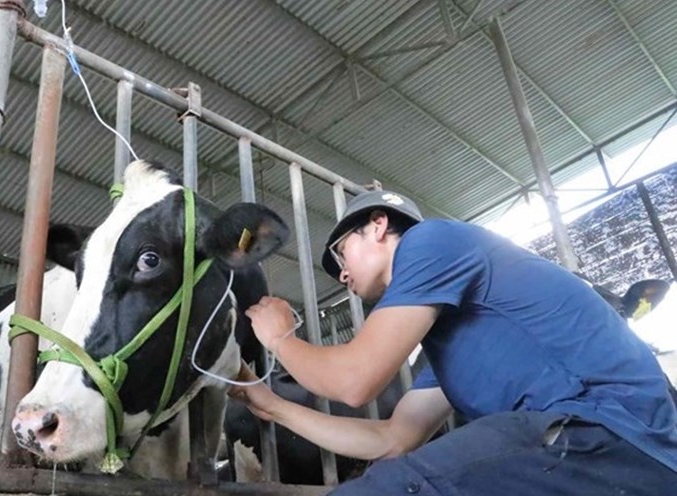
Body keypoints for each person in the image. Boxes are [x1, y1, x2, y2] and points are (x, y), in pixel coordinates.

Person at [230, 190, 677, 495]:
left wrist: (281, 338)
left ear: (379, 225)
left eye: (340, 255)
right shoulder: (446, 348)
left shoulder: (433, 240)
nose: (343, 276)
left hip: (611, 433)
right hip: (591, 452)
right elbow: (391, 438)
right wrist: (270, 404)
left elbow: (355, 382)